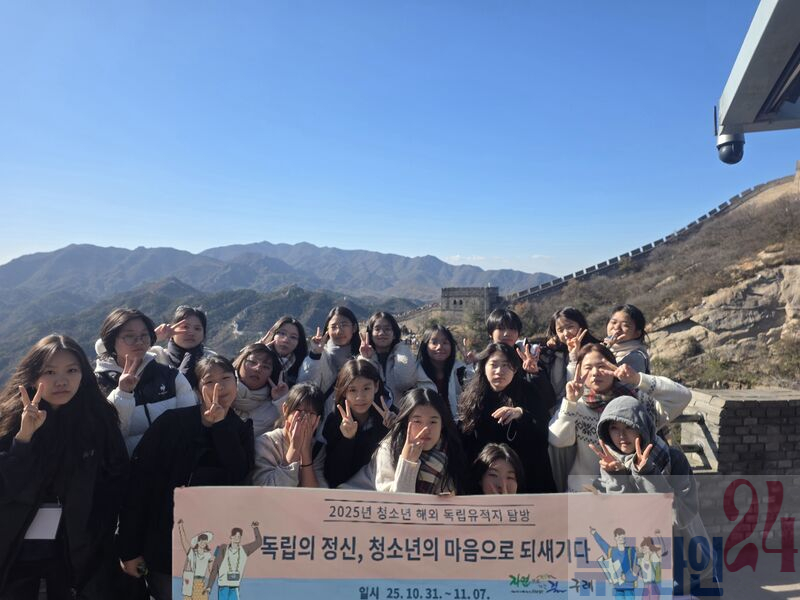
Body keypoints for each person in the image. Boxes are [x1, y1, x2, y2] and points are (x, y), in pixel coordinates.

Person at [0, 335, 128, 599]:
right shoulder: (8, 420)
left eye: (71, 370)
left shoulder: (98, 419)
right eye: (50, 372)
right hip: (15, 549)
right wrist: (23, 439)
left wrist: (101, 536)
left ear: (83, 374)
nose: (62, 381)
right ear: (32, 375)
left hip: (76, 550)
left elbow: (116, 481)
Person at [118, 356, 255, 600]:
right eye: (209, 381)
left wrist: (220, 427)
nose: (219, 387)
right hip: (163, 544)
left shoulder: (241, 429)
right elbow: (138, 486)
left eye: (226, 378)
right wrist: (129, 549)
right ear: (196, 389)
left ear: (236, 384)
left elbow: (238, 474)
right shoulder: (171, 423)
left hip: (215, 551)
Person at [593, 396, 718, 597]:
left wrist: (648, 474)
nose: (621, 435)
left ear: (642, 427)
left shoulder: (673, 458)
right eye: (614, 428)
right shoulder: (611, 465)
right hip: (647, 575)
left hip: (691, 568)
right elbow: (623, 521)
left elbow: (681, 516)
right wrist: (617, 477)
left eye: (628, 427)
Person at [548, 343, 691, 493]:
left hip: (635, 491)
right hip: (586, 493)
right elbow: (558, 440)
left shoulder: (637, 403)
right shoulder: (576, 406)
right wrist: (570, 402)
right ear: (578, 371)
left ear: (614, 368)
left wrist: (638, 379)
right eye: (588, 368)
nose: (595, 373)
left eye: (602, 366)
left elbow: (682, 396)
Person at [94, 308, 197, 455]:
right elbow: (106, 437)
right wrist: (123, 394)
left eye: (144, 335)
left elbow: (190, 425)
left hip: (174, 463)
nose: (139, 342)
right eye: (129, 336)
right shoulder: (97, 385)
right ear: (111, 341)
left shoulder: (171, 377)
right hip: (125, 466)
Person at [459, 343, 555, 493]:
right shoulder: (472, 396)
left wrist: (521, 414)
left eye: (506, 365)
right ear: (483, 367)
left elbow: (543, 433)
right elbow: (466, 439)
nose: (499, 371)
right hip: (484, 477)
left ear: (515, 369)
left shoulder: (528, 391)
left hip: (527, 477)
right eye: (494, 365)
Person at [374, 388, 467, 495]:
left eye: (433, 422)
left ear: (442, 424)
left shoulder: (449, 450)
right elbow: (395, 501)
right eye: (417, 421)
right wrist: (408, 461)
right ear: (406, 422)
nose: (426, 429)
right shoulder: (389, 448)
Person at [322, 359, 395, 488]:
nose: (360, 397)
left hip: (382, 490)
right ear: (344, 392)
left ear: (376, 386)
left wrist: (395, 430)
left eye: (366, 388)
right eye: (352, 390)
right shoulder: (334, 421)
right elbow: (333, 475)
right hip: (347, 491)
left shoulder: (390, 416)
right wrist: (348, 439)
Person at [251, 383, 327, 488]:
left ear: (318, 420)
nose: (304, 417)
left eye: (311, 413)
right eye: (299, 411)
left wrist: (305, 453)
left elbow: (316, 494)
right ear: (285, 410)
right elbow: (268, 490)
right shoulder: (265, 443)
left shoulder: (318, 449)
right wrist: (294, 448)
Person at [484, 308, 557, 415]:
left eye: (512, 328)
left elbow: (548, 401)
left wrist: (534, 373)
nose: (506, 333)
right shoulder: (484, 360)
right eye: (501, 328)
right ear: (490, 333)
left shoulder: (530, 357)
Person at [298, 306, 360, 424]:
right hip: (323, 424)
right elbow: (303, 385)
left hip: (356, 422)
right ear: (327, 330)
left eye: (344, 325)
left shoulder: (361, 357)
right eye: (333, 327)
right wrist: (315, 355)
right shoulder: (320, 355)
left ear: (354, 328)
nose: (339, 331)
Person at [359, 311, 430, 406]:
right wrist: (368, 358)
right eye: (377, 329)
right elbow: (362, 385)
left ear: (394, 334)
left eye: (387, 329)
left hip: (401, 412)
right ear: (371, 334)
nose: (382, 333)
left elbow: (405, 382)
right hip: (372, 412)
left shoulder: (406, 355)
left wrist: (402, 348)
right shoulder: (362, 358)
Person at [151, 306, 217, 388]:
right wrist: (152, 338)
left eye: (197, 328)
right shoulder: (156, 355)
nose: (191, 332)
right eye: (185, 327)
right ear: (172, 329)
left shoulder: (211, 359)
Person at [231, 343, 288, 437]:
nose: (257, 369)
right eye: (252, 362)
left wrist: (282, 400)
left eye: (265, 367)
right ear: (240, 362)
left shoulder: (273, 409)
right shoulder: (220, 388)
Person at [416, 325, 469, 421]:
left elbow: (474, 391)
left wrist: (470, 365)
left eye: (445, 342)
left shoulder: (460, 370)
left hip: (456, 426)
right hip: (426, 426)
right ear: (425, 345)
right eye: (434, 342)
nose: (440, 347)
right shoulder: (414, 373)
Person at [207, 523, 261, 600]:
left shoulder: (244, 550)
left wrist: (255, 528)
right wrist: (209, 586)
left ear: (241, 538)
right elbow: (215, 568)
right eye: (234, 536)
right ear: (231, 537)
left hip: (234, 587)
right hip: (223, 586)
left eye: (239, 536)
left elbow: (258, 543)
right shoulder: (223, 549)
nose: (236, 538)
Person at [260, 316, 308, 387]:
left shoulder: (302, 366)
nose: (286, 340)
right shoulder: (259, 358)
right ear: (273, 334)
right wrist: (256, 350)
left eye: (293, 337)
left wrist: (315, 355)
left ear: (299, 342)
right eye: (282, 333)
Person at [604, 304, 650, 374]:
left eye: (625, 325)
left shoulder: (635, 357)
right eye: (614, 322)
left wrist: (605, 349)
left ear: (637, 333)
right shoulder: (609, 348)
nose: (616, 327)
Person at [176, 520, 213, 600]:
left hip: (201, 583)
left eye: (205, 541)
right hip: (190, 582)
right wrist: (180, 526)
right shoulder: (192, 553)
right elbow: (184, 541)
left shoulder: (208, 555)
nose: (203, 543)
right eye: (201, 541)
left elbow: (211, 570)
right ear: (198, 542)